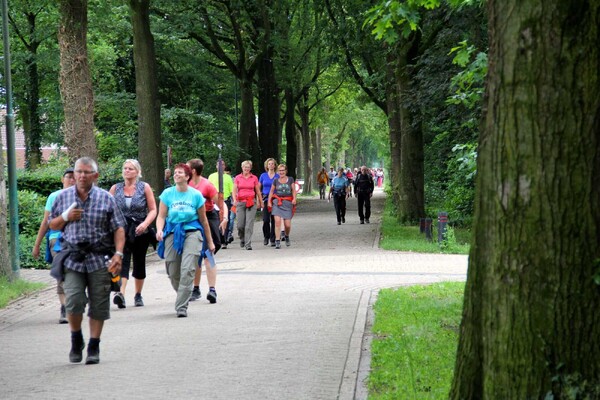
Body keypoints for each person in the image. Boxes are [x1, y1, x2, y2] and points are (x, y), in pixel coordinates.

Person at [49, 157, 126, 365]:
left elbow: (118, 227)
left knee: (99, 303)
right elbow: (52, 225)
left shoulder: (106, 199)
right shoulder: (62, 198)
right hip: (73, 258)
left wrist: (118, 254)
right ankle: (76, 339)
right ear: (73, 174)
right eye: (78, 172)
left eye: (86, 172)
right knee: (73, 301)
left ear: (95, 175)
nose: (82, 175)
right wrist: (65, 217)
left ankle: (94, 344)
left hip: (99, 257)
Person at [155, 163, 215, 318]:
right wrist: (160, 230)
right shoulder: (167, 194)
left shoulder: (196, 195)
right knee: (172, 269)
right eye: (175, 173)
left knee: (188, 268)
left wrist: (210, 242)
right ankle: (184, 293)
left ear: (187, 176)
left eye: (180, 172)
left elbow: (204, 221)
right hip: (173, 231)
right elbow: (161, 216)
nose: (176, 174)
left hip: (193, 232)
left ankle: (181, 306)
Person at [108, 159, 157, 308]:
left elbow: (153, 209)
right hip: (121, 230)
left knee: (139, 262)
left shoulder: (144, 187)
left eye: (130, 168)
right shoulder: (115, 188)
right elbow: (107, 210)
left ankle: (138, 295)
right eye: (125, 168)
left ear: (137, 172)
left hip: (139, 229)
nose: (127, 171)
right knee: (121, 260)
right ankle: (120, 294)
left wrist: (145, 224)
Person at [32, 167, 75, 324]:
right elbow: (45, 222)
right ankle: (64, 307)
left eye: (74, 177)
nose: (72, 180)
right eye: (68, 177)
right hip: (56, 239)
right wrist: (36, 245)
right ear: (62, 179)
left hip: (77, 239)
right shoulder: (54, 196)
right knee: (62, 272)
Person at [188, 158, 225, 304]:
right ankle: (195, 288)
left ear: (193, 171)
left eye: (187, 167)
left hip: (209, 218)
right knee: (196, 255)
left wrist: (226, 217)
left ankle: (212, 290)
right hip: (193, 219)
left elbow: (220, 204)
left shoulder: (207, 185)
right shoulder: (186, 184)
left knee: (208, 255)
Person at [232, 160, 262, 250]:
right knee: (240, 225)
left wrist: (260, 202)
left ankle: (248, 244)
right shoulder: (237, 178)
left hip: (251, 202)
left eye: (248, 167)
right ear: (242, 167)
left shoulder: (254, 178)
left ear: (250, 168)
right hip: (240, 202)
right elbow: (234, 191)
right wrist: (234, 200)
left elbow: (258, 191)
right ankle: (242, 238)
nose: (246, 169)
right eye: (245, 167)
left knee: (249, 224)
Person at [268, 164, 297, 249]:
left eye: (283, 170)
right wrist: (269, 202)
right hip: (277, 202)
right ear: (278, 171)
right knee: (277, 222)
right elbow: (271, 192)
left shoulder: (290, 179)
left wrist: (294, 199)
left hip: (287, 202)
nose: (281, 172)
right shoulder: (275, 180)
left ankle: (287, 236)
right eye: (280, 170)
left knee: (287, 225)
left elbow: (294, 190)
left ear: (286, 171)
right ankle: (277, 240)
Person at [208, 160, 234, 248]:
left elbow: (232, 190)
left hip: (225, 200)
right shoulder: (211, 176)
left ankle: (224, 240)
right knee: (215, 219)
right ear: (216, 166)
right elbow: (208, 188)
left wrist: (234, 200)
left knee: (225, 219)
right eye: (219, 164)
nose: (220, 166)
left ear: (224, 166)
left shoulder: (228, 177)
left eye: (222, 164)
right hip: (214, 201)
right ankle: (216, 238)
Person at [259, 158, 278, 246]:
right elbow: (258, 188)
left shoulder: (277, 176)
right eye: (269, 164)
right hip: (266, 199)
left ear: (275, 165)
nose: (271, 165)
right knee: (266, 219)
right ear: (267, 165)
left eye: (272, 164)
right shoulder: (263, 176)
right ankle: (266, 236)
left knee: (274, 219)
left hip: (275, 199)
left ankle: (273, 238)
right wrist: (259, 199)